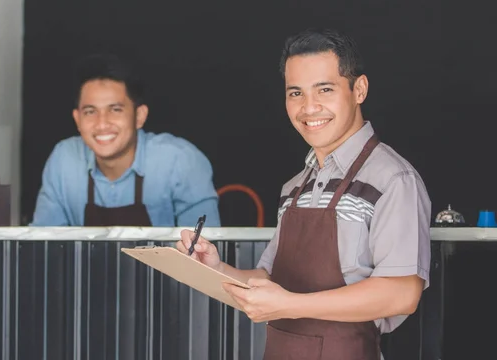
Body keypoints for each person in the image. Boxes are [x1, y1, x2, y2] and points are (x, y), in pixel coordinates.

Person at [176, 28, 431, 359]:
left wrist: (291, 304)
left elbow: (401, 294)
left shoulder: (394, 179)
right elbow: (268, 279)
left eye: (324, 89)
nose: (309, 108)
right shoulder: (295, 187)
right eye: (295, 93)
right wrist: (215, 269)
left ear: (359, 89)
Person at [30, 53, 221, 227]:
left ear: (139, 116)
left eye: (115, 109)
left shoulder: (180, 161)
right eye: (90, 112)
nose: (102, 123)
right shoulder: (63, 160)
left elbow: (203, 253)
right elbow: (43, 247)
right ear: (77, 119)